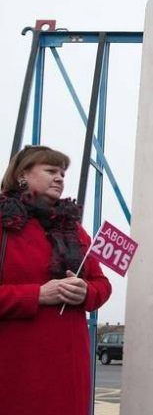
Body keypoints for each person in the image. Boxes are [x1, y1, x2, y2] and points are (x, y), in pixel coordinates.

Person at [0, 145, 112, 415]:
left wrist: (85, 292)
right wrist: (37, 295)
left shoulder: (73, 228)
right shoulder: (4, 223)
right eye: (51, 170)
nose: (60, 178)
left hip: (69, 369)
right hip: (16, 368)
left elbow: (102, 284)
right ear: (22, 175)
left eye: (63, 173)